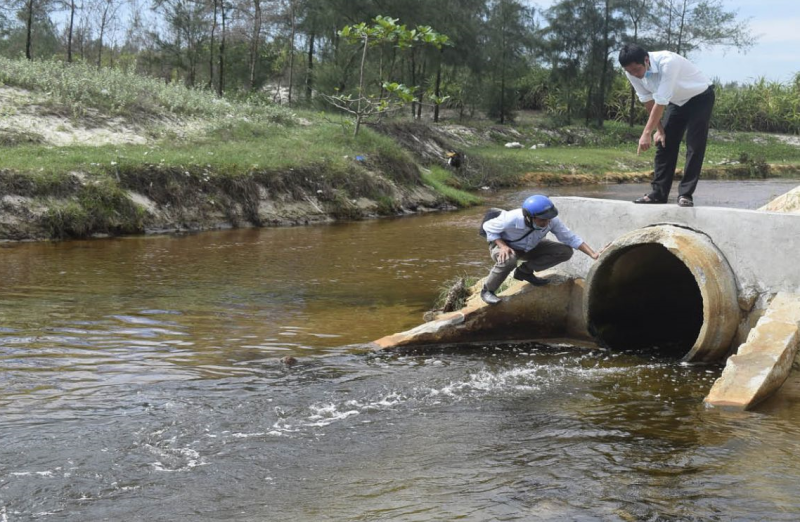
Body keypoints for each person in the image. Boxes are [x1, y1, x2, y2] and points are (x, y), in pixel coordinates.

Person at [619, 43, 715, 208]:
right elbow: (648, 100)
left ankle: (685, 194)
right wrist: (659, 130)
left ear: (646, 60)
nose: (635, 75)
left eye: (637, 70)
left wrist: (646, 133)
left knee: (694, 145)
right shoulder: (631, 73)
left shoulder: (668, 63)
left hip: (700, 97)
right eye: (630, 72)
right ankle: (658, 194)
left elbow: (661, 102)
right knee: (664, 142)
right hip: (676, 101)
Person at [480, 195, 599, 305]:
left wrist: (593, 254)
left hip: (530, 246)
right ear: (529, 217)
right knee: (509, 260)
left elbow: (570, 238)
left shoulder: (552, 220)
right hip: (506, 246)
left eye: (548, 219)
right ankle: (487, 291)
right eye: (542, 220)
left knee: (565, 251)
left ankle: (524, 271)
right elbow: (487, 227)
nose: (547, 223)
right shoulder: (511, 218)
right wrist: (502, 246)